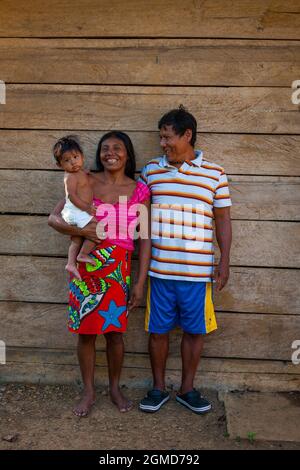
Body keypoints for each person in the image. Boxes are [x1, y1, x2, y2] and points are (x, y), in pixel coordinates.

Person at [48, 131, 151, 417]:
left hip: (119, 269)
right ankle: (89, 391)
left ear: (128, 154)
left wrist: (140, 282)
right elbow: (54, 218)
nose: (111, 153)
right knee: (86, 334)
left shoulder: (140, 190)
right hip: (86, 267)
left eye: (117, 148)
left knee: (115, 334)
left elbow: (144, 239)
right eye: (105, 149)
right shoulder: (86, 179)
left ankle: (115, 388)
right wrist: (83, 231)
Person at [138, 106, 232, 414]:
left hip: (197, 273)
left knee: (195, 331)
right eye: (160, 138)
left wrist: (224, 261)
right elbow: (140, 219)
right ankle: (157, 388)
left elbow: (223, 222)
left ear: (187, 135)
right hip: (160, 271)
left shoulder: (215, 174)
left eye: (167, 137)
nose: (162, 143)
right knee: (158, 331)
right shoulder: (151, 171)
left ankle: (187, 389)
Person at [53, 135, 98, 280]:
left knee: (76, 239)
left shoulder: (79, 173)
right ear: (60, 165)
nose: (73, 162)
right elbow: (71, 196)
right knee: (97, 230)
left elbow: (82, 181)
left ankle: (71, 263)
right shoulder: (70, 177)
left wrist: (87, 174)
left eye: (75, 157)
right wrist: (86, 207)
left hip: (77, 211)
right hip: (76, 211)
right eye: (67, 160)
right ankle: (83, 254)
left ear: (82, 157)